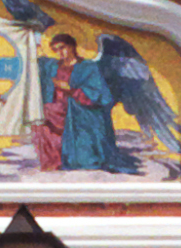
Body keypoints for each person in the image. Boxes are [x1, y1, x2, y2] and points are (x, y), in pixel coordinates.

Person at [35, 30, 131, 174]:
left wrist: (71, 90)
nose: (60, 52)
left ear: (72, 46)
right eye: (56, 50)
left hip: (79, 108)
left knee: (53, 114)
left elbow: (99, 94)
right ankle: (53, 161)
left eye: (62, 48)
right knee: (39, 120)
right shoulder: (52, 66)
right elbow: (36, 64)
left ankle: (78, 158)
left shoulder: (88, 67)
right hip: (56, 107)